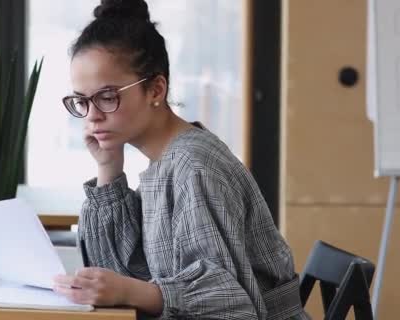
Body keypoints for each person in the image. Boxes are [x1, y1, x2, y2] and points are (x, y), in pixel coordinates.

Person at [52, 0, 310, 319]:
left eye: (107, 97)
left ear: (155, 89)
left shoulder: (193, 166)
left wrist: (130, 290)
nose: (92, 116)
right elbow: (115, 270)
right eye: (81, 101)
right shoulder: (164, 160)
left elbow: (230, 306)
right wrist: (108, 167)